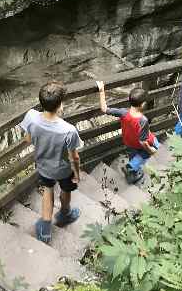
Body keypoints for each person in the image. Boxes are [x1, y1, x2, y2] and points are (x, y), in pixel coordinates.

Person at [20, 81, 82, 244]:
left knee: (48, 190)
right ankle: (64, 214)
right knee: (66, 190)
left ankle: (45, 229)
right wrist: (76, 173)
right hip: (63, 170)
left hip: (43, 166)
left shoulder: (31, 117)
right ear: (60, 105)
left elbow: (28, 139)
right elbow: (74, 157)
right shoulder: (68, 130)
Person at [96, 80, 159, 185]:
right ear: (143, 104)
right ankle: (131, 167)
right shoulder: (143, 120)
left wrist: (101, 90)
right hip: (139, 143)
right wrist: (151, 150)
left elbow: (104, 109)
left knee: (132, 155)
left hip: (128, 142)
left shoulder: (123, 112)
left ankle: (131, 172)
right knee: (154, 147)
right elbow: (143, 142)